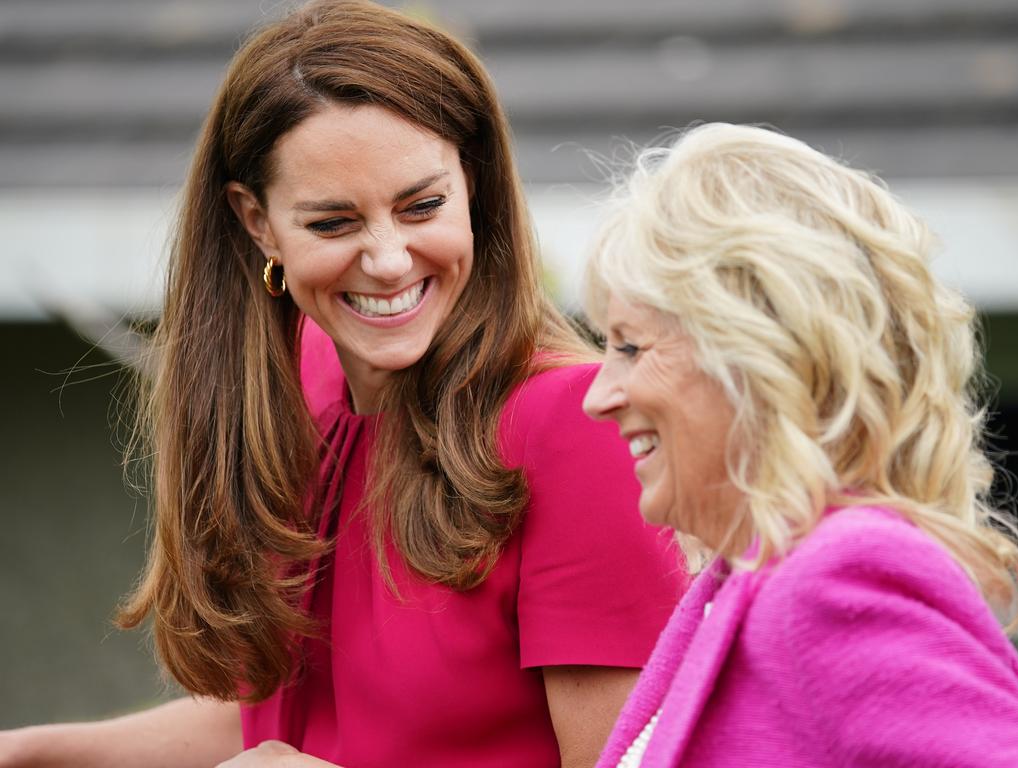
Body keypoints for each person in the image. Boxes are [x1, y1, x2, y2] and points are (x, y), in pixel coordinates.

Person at [0, 2, 687, 767]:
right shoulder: (297, 391)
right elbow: (286, 721)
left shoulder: (574, 423)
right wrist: (30, 752)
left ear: (475, 186)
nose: (390, 260)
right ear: (257, 222)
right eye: (334, 223)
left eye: (422, 205)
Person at [582, 123, 1018, 767]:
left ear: (757, 356)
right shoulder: (746, 577)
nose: (599, 397)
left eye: (629, 347)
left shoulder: (834, 573)